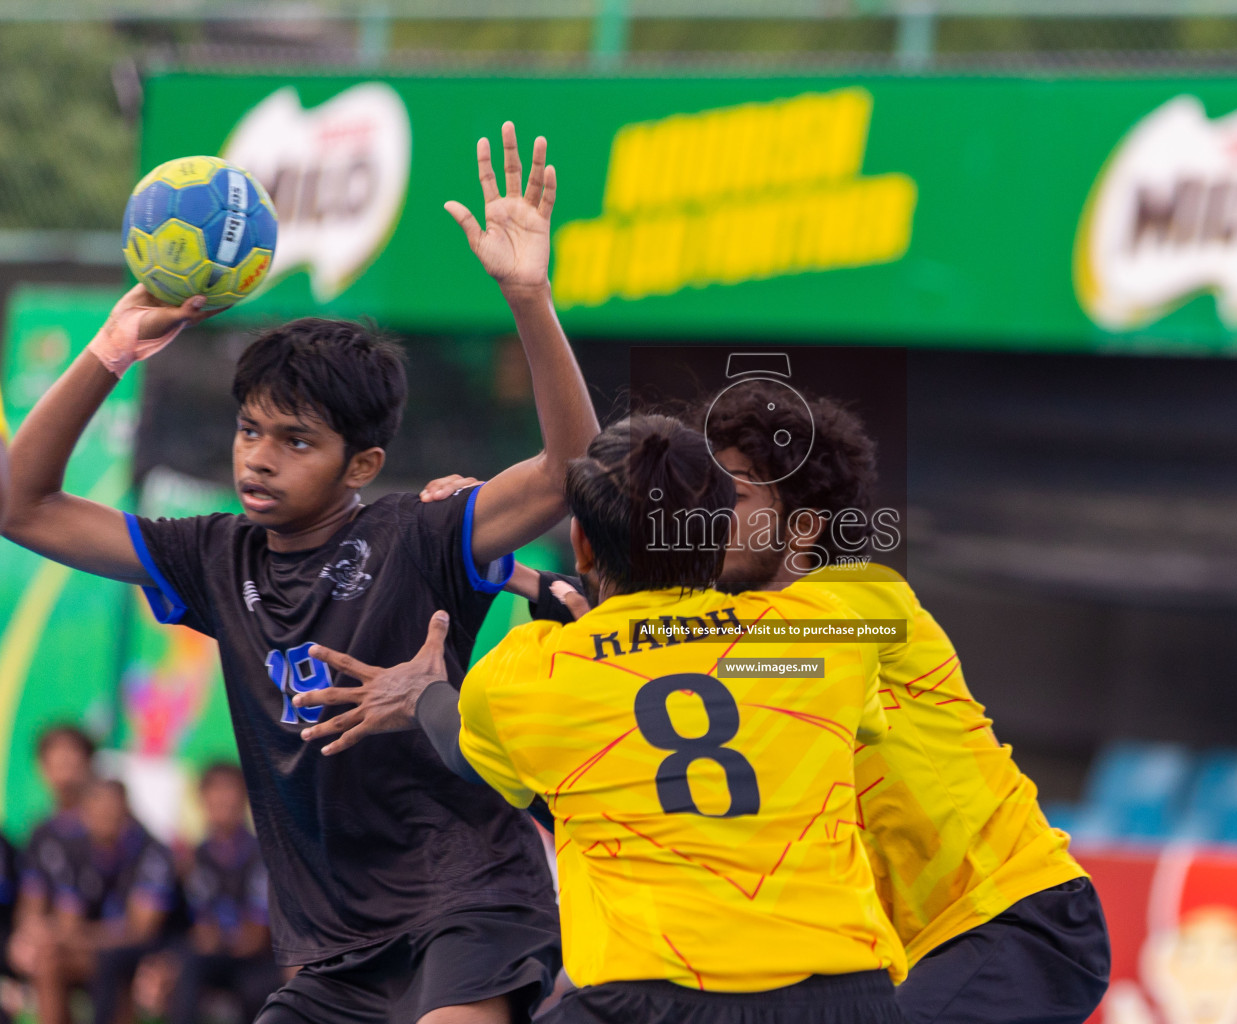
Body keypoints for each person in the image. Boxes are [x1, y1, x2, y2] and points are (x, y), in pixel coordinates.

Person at [0, 122, 597, 1024]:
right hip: (329, 947)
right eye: (250, 430)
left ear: (361, 463)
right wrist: (110, 350)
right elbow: (23, 506)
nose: (260, 458)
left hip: (468, 907)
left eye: (296, 440)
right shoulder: (212, 556)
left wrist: (529, 296)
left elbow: (568, 470)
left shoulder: (423, 535)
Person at [420, 381, 1112, 1024]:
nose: (701, 514)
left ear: (803, 530)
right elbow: (664, 630)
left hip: (1013, 921)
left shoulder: (863, 606)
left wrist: (559, 588)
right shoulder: (735, 637)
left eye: (731, 499)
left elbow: (712, 643)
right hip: (904, 956)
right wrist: (505, 546)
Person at [295, 415, 909, 1024]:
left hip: (644, 999)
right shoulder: (825, 630)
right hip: (846, 994)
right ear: (720, 529)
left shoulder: (533, 672)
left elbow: (461, 748)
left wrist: (421, 694)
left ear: (583, 542)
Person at [30, 778, 178, 1024]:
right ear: (84, 814)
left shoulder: (152, 852)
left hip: (151, 952)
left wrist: (82, 936)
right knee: (48, 961)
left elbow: (141, 931)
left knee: (112, 964)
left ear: (126, 809)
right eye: (96, 810)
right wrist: (68, 936)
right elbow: (68, 922)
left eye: (112, 809)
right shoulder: (76, 851)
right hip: (97, 948)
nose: (104, 817)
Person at [169, 763, 280, 1024]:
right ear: (201, 799)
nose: (222, 798)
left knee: (255, 989)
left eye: (229, 789)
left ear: (244, 796)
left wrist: (217, 938)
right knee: (182, 966)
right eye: (214, 790)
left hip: (261, 959)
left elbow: (255, 937)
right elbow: (201, 929)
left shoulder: (263, 855)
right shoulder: (194, 858)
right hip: (216, 957)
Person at [9, 726, 96, 986]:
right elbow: (32, 898)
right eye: (56, 760)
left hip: (101, 944)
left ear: (89, 763)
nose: (64, 766)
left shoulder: (109, 826)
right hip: (55, 942)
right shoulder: (40, 831)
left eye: (72, 757)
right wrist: (27, 934)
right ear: (42, 768)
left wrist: (61, 934)